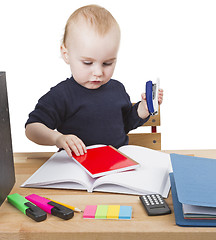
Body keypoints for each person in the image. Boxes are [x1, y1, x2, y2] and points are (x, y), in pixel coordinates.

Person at [25, 4, 163, 157]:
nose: (98, 72)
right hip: (76, 167)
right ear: (66, 54)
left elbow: (124, 124)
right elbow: (32, 128)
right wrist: (57, 138)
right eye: (87, 63)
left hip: (116, 163)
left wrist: (143, 109)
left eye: (107, 63)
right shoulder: (62, 95)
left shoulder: (117, 89)